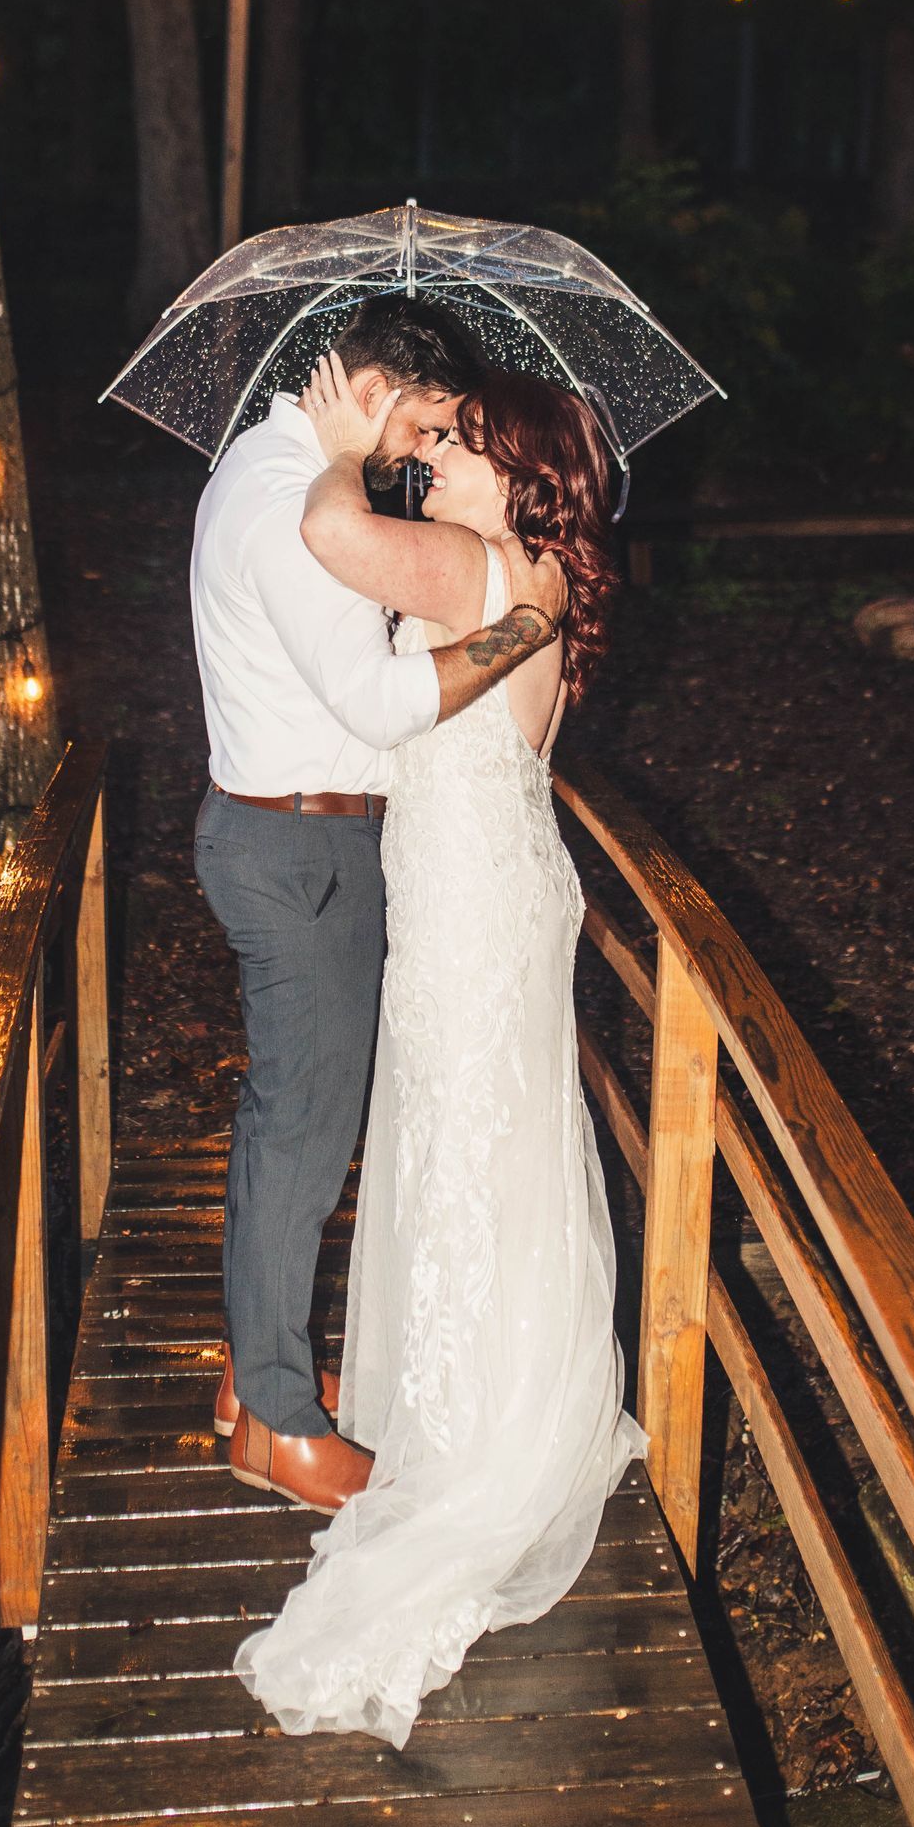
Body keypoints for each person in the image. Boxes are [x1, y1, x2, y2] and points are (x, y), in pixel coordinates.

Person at [232, 350, 645, 1748]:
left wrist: (343, 444)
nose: (441, 455)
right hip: (505, 881)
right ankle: (504, 1394)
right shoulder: (545, 578)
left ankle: (474, 1438)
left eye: (464, 441)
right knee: (498, 1134)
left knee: (467, 1138)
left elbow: (329, 535)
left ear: (519, 470)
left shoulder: (473, 566)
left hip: (469, 897)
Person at [190, 296, 560, 1516]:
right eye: (428, 424)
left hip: (296, 835)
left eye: (453, 435)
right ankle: (284, 1426)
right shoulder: (300, 503)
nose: (426, 450)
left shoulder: (271, 469)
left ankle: (261, 1377)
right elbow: (386, 708)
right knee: (302, 1135)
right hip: (305, 852)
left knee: (285, 1125)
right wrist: (522, 628)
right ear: (370, 389)